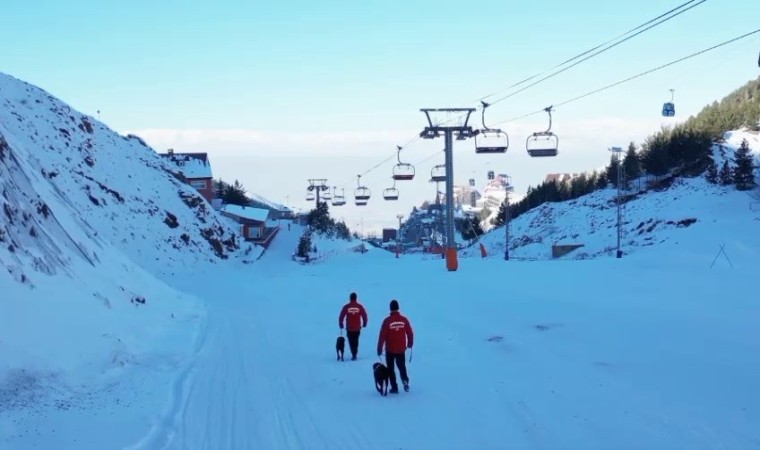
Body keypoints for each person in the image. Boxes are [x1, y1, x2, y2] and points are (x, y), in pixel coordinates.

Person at [377, 299, 414, 393]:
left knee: (390, 369)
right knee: (402, 367)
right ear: (398, 308)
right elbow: (410, 332)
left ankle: (394, 387)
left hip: (390, 349)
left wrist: (379, 349)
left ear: (390, 308)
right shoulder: (404, 320)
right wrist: (410, 343)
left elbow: (382, 335)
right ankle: (405, 381)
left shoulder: (387, 321)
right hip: (401, 348)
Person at [338, 292, 368, 360]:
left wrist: (341, 324)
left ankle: (353, 353)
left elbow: (341, 316)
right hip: (357, 328)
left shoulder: (346, 307)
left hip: (349, 328)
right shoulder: (359, 307)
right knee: (356, 340)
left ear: (350, 298)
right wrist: (364, 323)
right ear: (356, 298)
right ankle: (355, 353)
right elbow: (364, 315)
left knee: (351, 341)